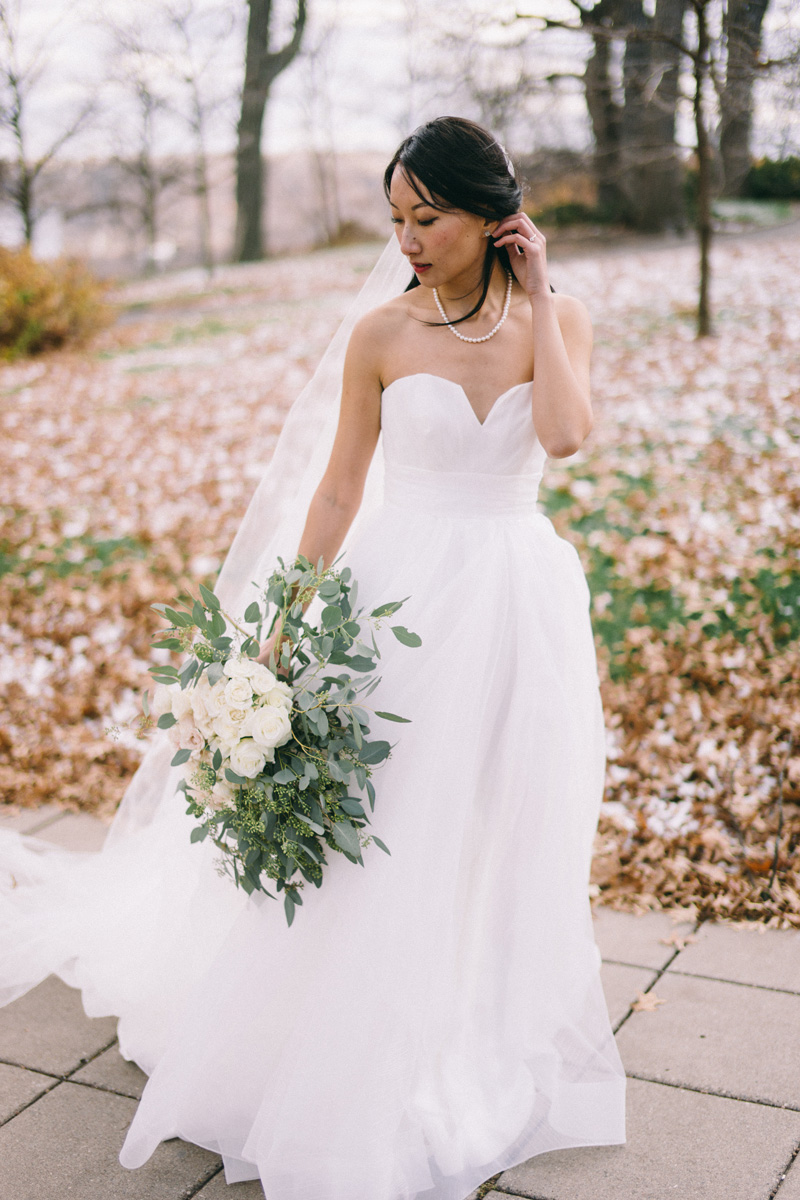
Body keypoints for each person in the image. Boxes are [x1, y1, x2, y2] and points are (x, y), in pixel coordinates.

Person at [0, 116, 626, 1198]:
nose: (407, 240)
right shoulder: (380, 335)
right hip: (400, 597)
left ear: (491, 214)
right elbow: (340, 486)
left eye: (426, 218)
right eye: (396, 220)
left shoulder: (557, 318)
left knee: (490, 818)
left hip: (517, 598)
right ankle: (340, 1041)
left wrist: (542, 284)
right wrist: (283, 621)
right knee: (382, 821)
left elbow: (565, 437)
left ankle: (463, 1017)